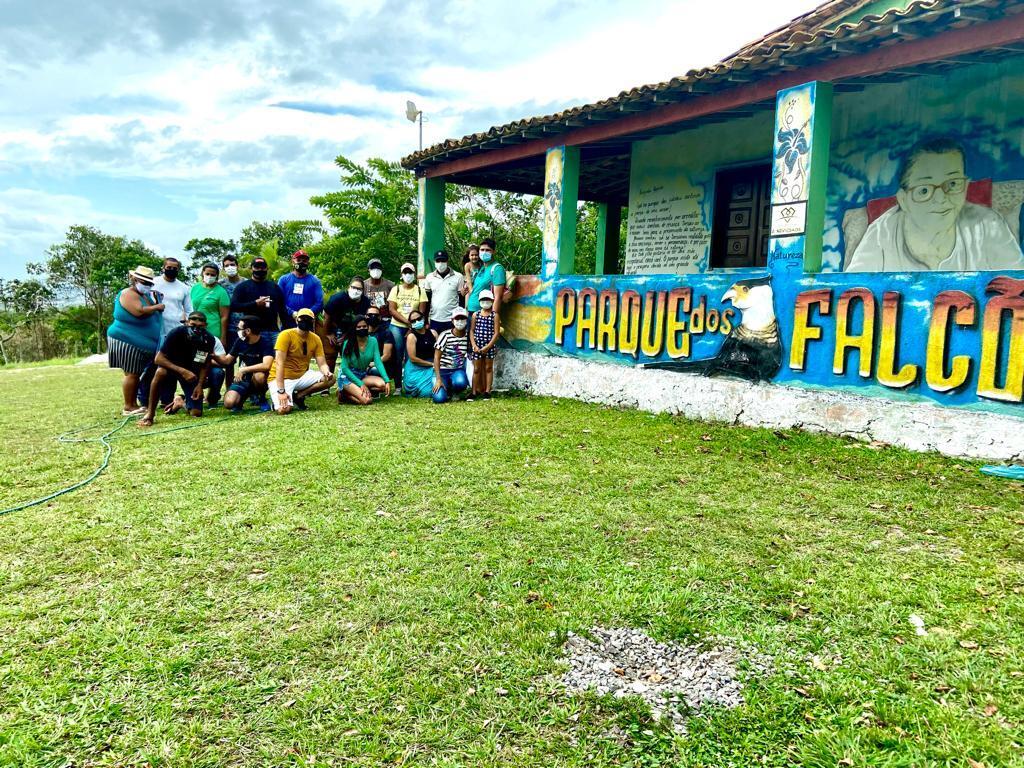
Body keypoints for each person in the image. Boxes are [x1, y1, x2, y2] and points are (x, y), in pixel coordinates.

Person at [847, 137, 1024, 272]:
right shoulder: (881, 235)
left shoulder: (987, 225)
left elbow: (1017, 291)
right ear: (903, 200)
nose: (941, 198)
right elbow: (853, 294)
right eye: (924, 190)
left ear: (965, 187)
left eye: (953, 184)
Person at [139, 312, 215, 427]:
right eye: (193, 325)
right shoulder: (177, 333)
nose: (196, 329)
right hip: (172, 368)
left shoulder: (208, 339)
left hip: (191, 373)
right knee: (160, 372)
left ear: (205, 325)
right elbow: (158, 359)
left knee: (196, 413)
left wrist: (199, 385)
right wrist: (182, 371)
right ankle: (150, 413)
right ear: (187, 322)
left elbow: (205, 363)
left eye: (200, 326)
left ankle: (180, 402)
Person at [107, 265, 164, 415]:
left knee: (136, 373)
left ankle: (134, 403)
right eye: (144, 282)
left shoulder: (144, 295)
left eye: (149, 283)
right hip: (126, 340)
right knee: (131, 373)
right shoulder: (127, 293)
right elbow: (138, 311)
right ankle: (128, 406)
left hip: (142, 342)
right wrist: (157, 307)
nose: (146, 286)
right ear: (134, 279)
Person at [270, 307, 334, 413]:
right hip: (283, 377)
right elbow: (279, 363)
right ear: (296, 320)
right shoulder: (285, 335)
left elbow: (322, 363)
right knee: (283, 410)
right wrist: (281, 391)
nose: (305, 321)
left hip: (301, 375)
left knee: (331, 379)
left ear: (313, 322)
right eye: (302, 318)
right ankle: (276, 402)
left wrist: (326, 372)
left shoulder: (316, 339)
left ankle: (298, 396)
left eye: (308, 319)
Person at [230, 257, 289, 345]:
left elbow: (282, 310)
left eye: (262, 267)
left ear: (267, 269)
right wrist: (255, 304)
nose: (260, 269)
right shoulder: (242, 287)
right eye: (257, 267)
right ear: (251, 269)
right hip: (252, 333)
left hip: (273, 332)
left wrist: (286, 331)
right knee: (252, 358)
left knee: (275, 358)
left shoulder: (274, 287)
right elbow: (234, 306)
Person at [221, 315, 274, 412]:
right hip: (243, 379)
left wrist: (244, 369)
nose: (237, 330)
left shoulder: (266, 343)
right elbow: (227, 360)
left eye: (239, 328)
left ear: (248, 331)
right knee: (229, 403)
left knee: (259, 376)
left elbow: (266, 365)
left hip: (258, 379)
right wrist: (212, 355)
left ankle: (261, 398)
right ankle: (241, 399)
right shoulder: (239, 341)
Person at [337, 315, 393, 405]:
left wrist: (387, 380)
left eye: (364, 326)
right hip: (348, 377)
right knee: (367, 400)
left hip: (362, 374)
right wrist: (360, 384)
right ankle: (344, 395)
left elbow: (378, 362)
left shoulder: (373, 341)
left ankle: (352, 391)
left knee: (382, 385)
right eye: (358, 327)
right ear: (354, 328)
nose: (362, 328)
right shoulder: (348, 343)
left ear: (368, 327)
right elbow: (344, 368)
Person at [323, 276, 370, 371]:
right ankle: (328, 378)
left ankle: (350, 379)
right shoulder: (337, 298)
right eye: (353, 287)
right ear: (349, 287)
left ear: (363, 291)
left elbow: (362, 321)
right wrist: (328, 333)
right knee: (330, 355)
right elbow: (327, 315)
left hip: (353, 330)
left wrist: (348, 336)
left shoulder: (366, 302)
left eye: (359, 289)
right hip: (334, 326)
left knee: (350, 354)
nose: (355, 290)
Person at [387, 261, 428, 367]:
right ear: (401, 275)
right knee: (398, 352)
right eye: (405, 272)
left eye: (410, 272)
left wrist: (412, 327)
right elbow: (392, 310)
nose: (407, 275)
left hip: (416, 325)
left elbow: (422, 311)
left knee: (411, 353)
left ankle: (408, 377)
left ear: (414, 274)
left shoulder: (420, 290)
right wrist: (407, 323)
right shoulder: (395, 289)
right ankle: (397, 379)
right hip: (397, 325)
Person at [432, 306, 470, 404]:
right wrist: (438, 379)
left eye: (462, 318)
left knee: (460, 382)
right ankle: (445, 388)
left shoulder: (468, 337)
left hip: (457, 370)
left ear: (466, 320)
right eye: (457, 319)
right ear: (452, 320)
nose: (460, 321)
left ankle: (454, 391)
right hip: (442, 371)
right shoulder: (445, 335)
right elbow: (436, 357)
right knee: (439, 399)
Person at [424, 249, 465, 333]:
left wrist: (460, 318)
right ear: (434, 261)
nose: (440, 263)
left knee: (451, 344)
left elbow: (461, 300)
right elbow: (427, 300)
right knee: (435, 344)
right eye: (438, 260)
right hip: (434, 319)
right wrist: (425, 320)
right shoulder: (429, 277)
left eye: (443, 260)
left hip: (452, 319)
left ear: (447, 261)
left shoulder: (458, 276)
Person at [190, 262, 231, 346]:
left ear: (216, 276)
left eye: (212, 275)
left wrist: (223, 338)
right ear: (202, 273)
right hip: (194, 329)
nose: (209, 276)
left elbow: (224, 317)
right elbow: (188, 308)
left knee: (210, 357)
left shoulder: (221, 292)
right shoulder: (194, 288)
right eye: (207, 274)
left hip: (213, 331)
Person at [278, 249, 324, 322]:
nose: (301, 262)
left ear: (308, 263)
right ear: (293, 261)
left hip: (307, 321)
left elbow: (319, 302)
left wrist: (306, 314)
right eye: (298, 260)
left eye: (304, 261)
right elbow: (279, 300)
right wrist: (292, 313)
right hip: (287, 320)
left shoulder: (315, 281)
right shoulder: (283, 279)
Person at [466, 237, 507, 317]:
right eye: (482, 250)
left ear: (494, 252)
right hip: (471, 311)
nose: (484, 252)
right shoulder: (482, 267)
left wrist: (492, 319)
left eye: (488, 250)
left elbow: (498, 297)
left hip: (483, 315)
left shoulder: (497, 269)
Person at [470, 289, 499, 398]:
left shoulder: (495, 315)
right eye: (483, 300)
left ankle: (487, 391)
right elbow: (472, 331)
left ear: (492, 301)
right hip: (477, 346)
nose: (485, 302)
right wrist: (474, 345)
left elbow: (496, 333)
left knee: (488, 368)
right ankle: (473, 392)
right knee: (476, 369)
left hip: (489, 346)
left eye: (488, 300)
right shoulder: (475, 315)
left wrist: (488, 346)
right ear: (479, 301)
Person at [152, 257, 191, 339]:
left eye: (174, 268)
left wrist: (187, 325)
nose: (171, 270)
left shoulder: (184, 288)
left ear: (178, 270)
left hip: (175, 328)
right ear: (163, 268)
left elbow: (189, 310)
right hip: (155, 325)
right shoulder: (153, 282)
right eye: (169, 268)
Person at [402, 309, 438, 398]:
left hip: (432, 365)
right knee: (426, 393)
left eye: (418, 319)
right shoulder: (411, 337)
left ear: (423, 318)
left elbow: (439, 351)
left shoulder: (433, 333)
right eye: (413, 321)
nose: (417, 321)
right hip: (416, 368)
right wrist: (432, 364)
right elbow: (413, 359)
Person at [365, 307, 398, 386]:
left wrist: (371, 364)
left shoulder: (386, 332)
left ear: (380, 317)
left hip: (381, 365)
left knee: (374, 370)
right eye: (370, 315)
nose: (373, 317)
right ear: (365, 316)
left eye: (375, 315)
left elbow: (387, 356)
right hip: (364, 364)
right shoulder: (362, 331)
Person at [219, 254, 245, 340]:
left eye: (232, 265)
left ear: (237, 266)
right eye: (226, 265)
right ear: (223, 269)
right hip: (226, 328)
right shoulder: (220, 284)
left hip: (244, 327)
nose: (230, 267)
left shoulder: (246, 283)